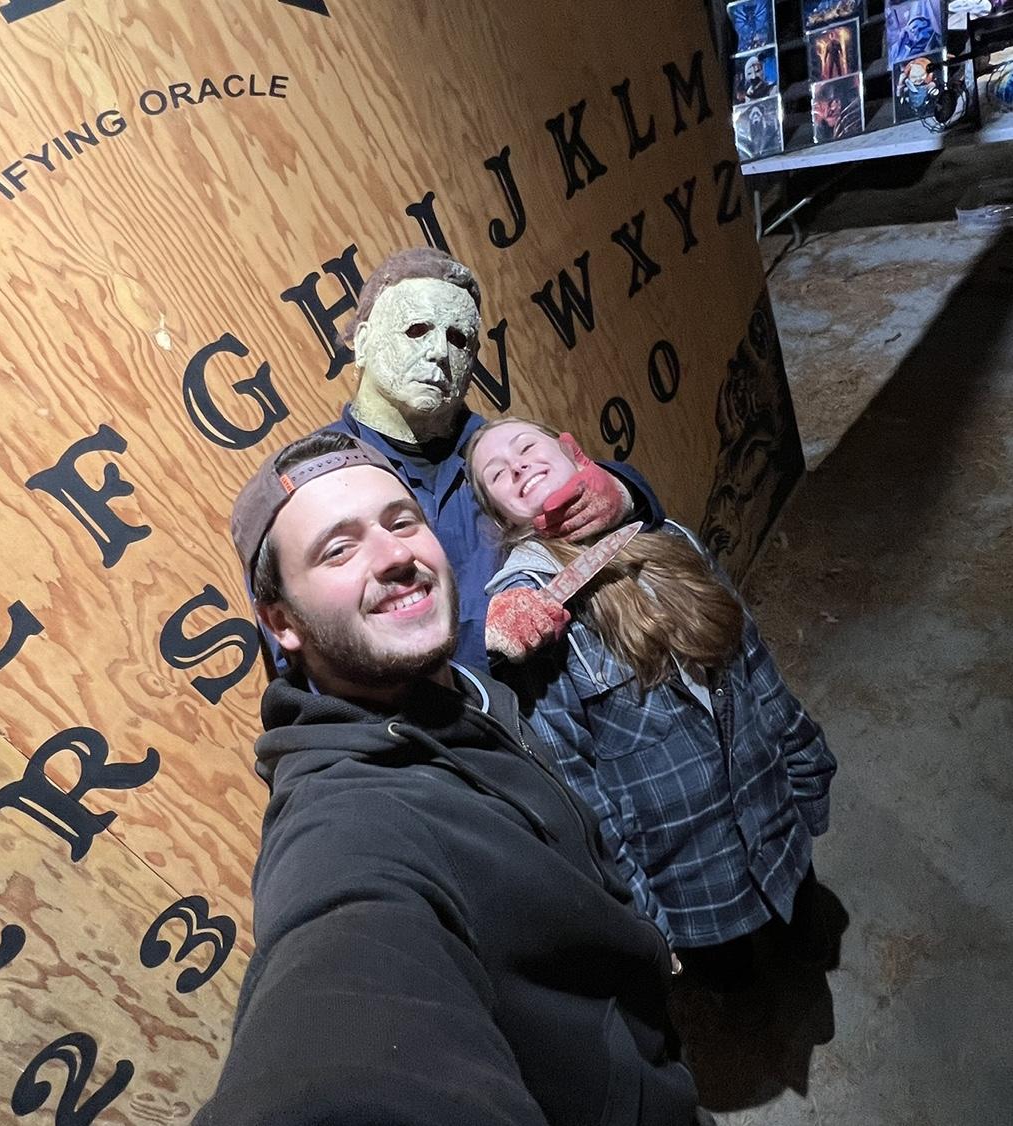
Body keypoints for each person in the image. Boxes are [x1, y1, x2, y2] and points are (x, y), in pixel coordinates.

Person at [196, 429, 702, 1125]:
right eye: (338, 549)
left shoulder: (469, 690)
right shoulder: (348, 825)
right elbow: (342, 1030)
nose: (394, 555)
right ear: (281, 622)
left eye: (402, 522)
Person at [465, 417, 837, 989]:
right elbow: (582, 796)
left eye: (527, 446)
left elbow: (752, 662)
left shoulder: (672, 539)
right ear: (502, 519)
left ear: (570, 451)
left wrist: (807, 766)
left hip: (773, 815)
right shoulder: (537, 622)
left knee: (810, 944)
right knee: (743, 990)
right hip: (694, 884)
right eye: (497, 474)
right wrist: (645, 920)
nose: (517, 466)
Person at [285, 246, 663, 671]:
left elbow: (627, 526)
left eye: (458, 339)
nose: (439, 352)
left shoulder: (497, 453)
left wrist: (624, 491)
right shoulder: (315, 480)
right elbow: (305, 651)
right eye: (416, 330)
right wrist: (474, 639)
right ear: (364, 342)